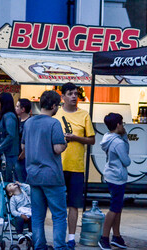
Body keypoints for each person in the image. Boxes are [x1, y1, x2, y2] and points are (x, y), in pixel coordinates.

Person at [22, 90, 68, 250]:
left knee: (38, 215)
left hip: (33, 174)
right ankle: (60, 246)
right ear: (54, 105)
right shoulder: (54, 123)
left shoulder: (28, 123)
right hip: (52, 175)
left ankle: (39, 245)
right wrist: (65, 142)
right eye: (59, 105)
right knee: (59, 214)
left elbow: (23, 147)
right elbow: (57, 148)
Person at [54, 82, 95, 249]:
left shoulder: (84, 115)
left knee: (74, 204)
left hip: (76, 167)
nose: (73, 97)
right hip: (58, 166)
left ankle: (71, 238)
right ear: (62, 96)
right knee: (58, 205)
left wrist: (76, 138)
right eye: (70, 94)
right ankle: (58, 238)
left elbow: (92, 140)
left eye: (75, 94)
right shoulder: (55, 115)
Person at [98, 113, 131, 250]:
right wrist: (125, 138)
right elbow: (126, 161)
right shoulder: (117, 142)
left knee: (118, 207)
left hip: (111, 174)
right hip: (117, 177)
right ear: (118, 125)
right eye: (122, 123)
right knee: (114, 208)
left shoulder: (108, 138)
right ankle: (104, 238)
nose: (123, 126)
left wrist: (123, 136)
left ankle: (116, 236)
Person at [0, 92, 20, 182]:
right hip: (6, 155)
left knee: (6, 184)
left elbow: (11, 135)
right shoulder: (7, 116)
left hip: (8, 156)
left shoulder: (9, 116)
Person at [14, 98, 31, 183]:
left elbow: (29, 140)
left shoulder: (29, 122)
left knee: (22, 181)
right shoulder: (17, 121)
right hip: (16, 155)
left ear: (23, 109)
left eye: (17, 106)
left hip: (23, 157)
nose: (15, 108)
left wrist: (22, 154)